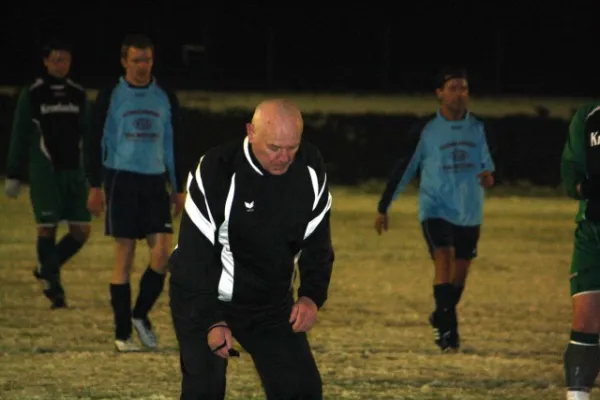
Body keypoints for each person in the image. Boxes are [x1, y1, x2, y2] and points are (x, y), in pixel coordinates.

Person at [168, 98, 334, 399]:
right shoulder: (218, 168)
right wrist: (211, 320)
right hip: (206, 296)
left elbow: (318, 240)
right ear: (251, 132)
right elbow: (194, 257)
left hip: (268, 304)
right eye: (274, 148)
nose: (284, 157)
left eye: (292, 147)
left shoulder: (310, 167)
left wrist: (311, 295)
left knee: (302, 389)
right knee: (204, 389)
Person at [374, 66, 495, 352]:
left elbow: (487, 166)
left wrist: (488, 177)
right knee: (444, 257)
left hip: (469, 210)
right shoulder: (427, 130)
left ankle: (441, 312)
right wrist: (384, 206)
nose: (459, 94)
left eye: (463, 88)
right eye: (453, 88)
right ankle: (448, 331)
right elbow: (405, 167)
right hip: (435, 207)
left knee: (461, 271)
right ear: (439, 93)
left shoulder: (477, 128)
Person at [84, 33, 185, 352]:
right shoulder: (111, 95)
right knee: (124, 255)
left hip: (155, 182)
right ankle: (122, 332)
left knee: (162, 254)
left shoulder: (164, 95)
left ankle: (140, 314)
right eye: (137, 60)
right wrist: (94, 185)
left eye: (148, 60)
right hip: (122, 180)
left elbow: (173, 143)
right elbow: (94, 140)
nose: (143, 66)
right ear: (124, 61)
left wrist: (178, 187)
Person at [4, 38, 92, 309]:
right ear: (45, 61)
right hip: (46, 172)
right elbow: (20, 133)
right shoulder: (33, 93)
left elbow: (89, 134)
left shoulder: (78, 93)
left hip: (74, 173)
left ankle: (46, 267)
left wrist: (96, 170)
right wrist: (13, 173)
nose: (60, 64)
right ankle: (55, 288)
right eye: (55, 59)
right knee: (47, 229)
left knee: (81, 231)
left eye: (64, 59)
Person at [560, 100, 600, 400]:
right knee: (585, 318)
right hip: (592, 230)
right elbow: (571, 170)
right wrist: (586, 189)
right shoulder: (589, 115)